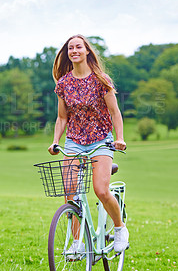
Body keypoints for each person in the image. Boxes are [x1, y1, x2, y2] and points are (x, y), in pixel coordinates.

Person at [48, 34, 129, 252]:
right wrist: (55, 141)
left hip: (101, 140)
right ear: (68, 53)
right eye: (70, 48)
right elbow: (62, 117)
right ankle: (77, 243)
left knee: (101, 190)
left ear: (86, 51)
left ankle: (120, 228)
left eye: (78, 47)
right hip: (74, 141)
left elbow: (114, 112)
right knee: (70, 193)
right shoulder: (64, 83)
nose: (74, 51)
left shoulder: (101, 79)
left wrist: (119, 137)